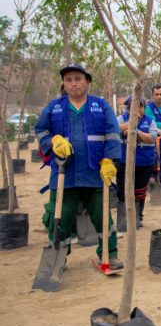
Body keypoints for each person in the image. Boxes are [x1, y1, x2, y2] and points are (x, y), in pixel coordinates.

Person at [35, 64, 123, 269]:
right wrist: (52, 141)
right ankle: (57, 260)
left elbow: (112, 134)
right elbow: (40, 130)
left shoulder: (101, 106)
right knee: (60, 220)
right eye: (68, 80)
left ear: (87, 82)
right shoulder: (55, 107)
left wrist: (110, 160)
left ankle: (109, 254)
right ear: (64, 84)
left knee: (103, 218)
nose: (73, 83)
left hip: (95, 174)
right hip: (64, 175)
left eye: (77, 78)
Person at [116, 96, 157, 228]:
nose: (137, 109)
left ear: (144, 108)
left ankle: (138, 216)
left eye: (140, 106)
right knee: (123, 191)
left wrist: (135, 131)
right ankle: (124, 218)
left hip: (144, 162)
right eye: (133, 105)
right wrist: (130, 124)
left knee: (140, 191)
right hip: (124, 162)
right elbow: (114, 130)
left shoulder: (150, 122)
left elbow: (151, 138)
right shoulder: (121, 119)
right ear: (128, 108)